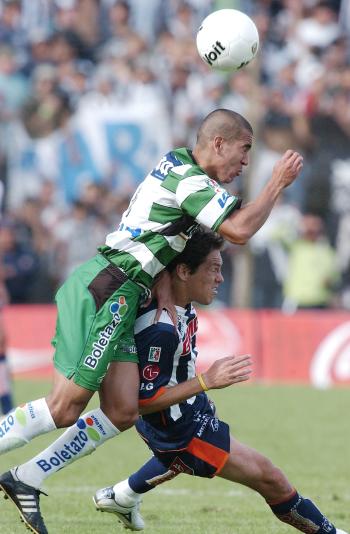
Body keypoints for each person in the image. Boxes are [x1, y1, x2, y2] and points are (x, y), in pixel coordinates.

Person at [0, 109, 303, 534]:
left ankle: (27, 477)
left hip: (128, 293)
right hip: (107, 289)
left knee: (123, 410)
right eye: (244, 149)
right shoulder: (191, 181)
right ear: (218, 143)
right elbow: (237, 230)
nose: (246, 162)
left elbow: (163, 234)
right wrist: (277, 183)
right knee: (63, 407)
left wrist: (160, 287)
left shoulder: (178, 165)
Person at [92, 229, 348, 534]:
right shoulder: (160, 328)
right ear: (184, 272)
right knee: (271, 479)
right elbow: (139, 403)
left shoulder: (179, 301)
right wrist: (205, 381)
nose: (220, 279)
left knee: (179, 460)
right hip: (180, 431)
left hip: (188, 412)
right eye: (214, 269)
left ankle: (122, 495)